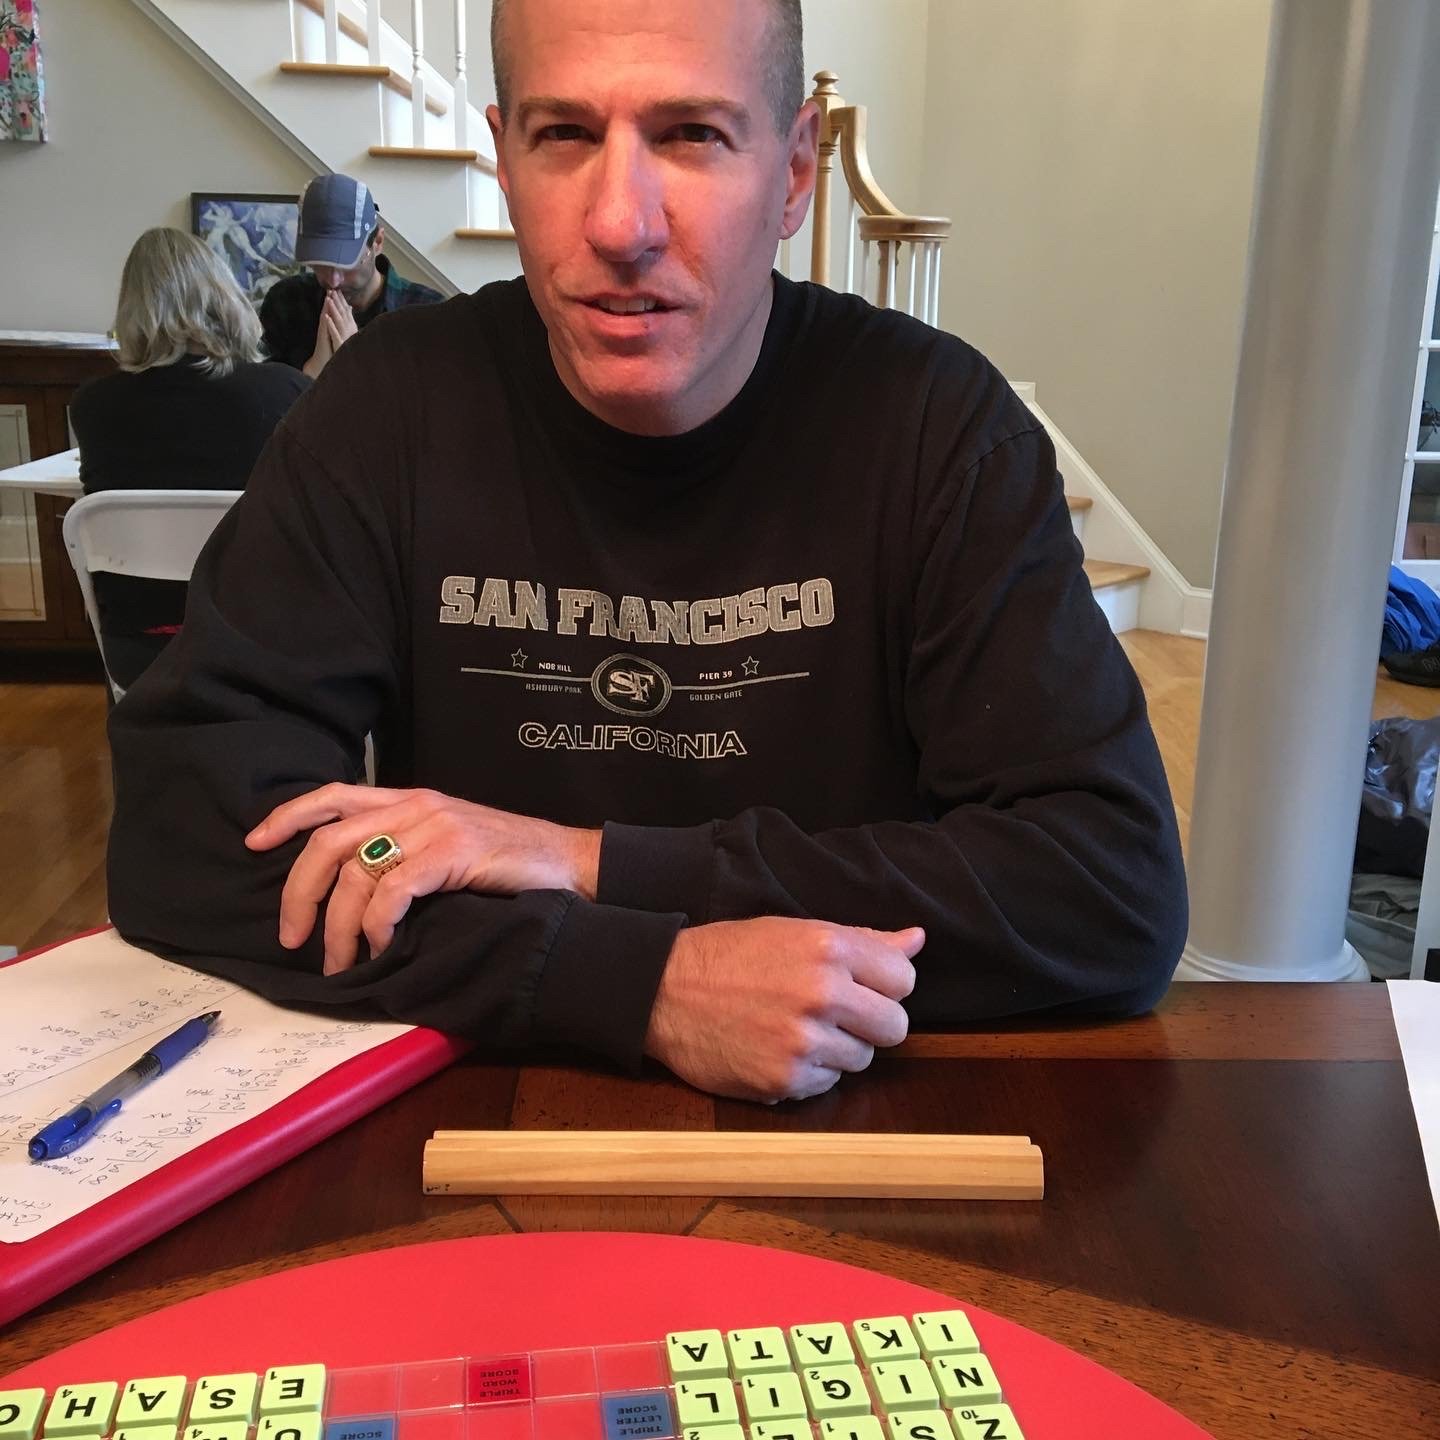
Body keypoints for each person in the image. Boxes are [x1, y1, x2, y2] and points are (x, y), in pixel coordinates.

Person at [107, 0, 1188, 1104]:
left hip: (849, 1119)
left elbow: (1105, 889)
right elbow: (181, 835)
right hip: (492, 1117)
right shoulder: (386, 411)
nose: (621, 223)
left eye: (692, 135)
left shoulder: (936, 428)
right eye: (564, 135)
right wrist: (640, 981)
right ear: (504, 159)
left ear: (796, 171)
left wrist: (581, 861)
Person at [69, 227, 309, 691]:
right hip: (260, 639)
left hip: (137, 648)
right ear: (224, 299)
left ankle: (141, 730)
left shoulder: (92, 405)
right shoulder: (284, 391)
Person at [258, 174, 444, 378]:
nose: (333, 280)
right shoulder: (286, 302)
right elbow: (265, 393)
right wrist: (312, 372)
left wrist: (355, 362)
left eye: (348, 264)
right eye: (321, 265)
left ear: (378, 242)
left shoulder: (427, 314)